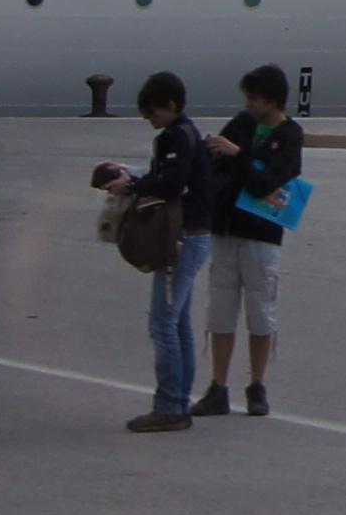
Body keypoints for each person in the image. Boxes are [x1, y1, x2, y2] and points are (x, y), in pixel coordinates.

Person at [89, 69, 214, 431]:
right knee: (179, 323)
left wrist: (133, 185)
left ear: (170, 106)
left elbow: (171, 184)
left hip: (182, 239)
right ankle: (179, 400)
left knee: (162, 322)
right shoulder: (183, 134)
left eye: (152, 112)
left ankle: (170, 405)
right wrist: (133, 176)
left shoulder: (178, 137)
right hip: (195, 235)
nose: (149, 119)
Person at [197, 62, 304, 418]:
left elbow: (267, 182)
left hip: (261, 231)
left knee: (261, 311)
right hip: (227, 227)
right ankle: (218, 385)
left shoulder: (290, 135)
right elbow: (216, 164)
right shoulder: (242, 124)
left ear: (272, 100)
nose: (248, 104)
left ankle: (257, 384)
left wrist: (238, 156)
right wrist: (215, 153)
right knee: (220, 309)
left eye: (255, 98)